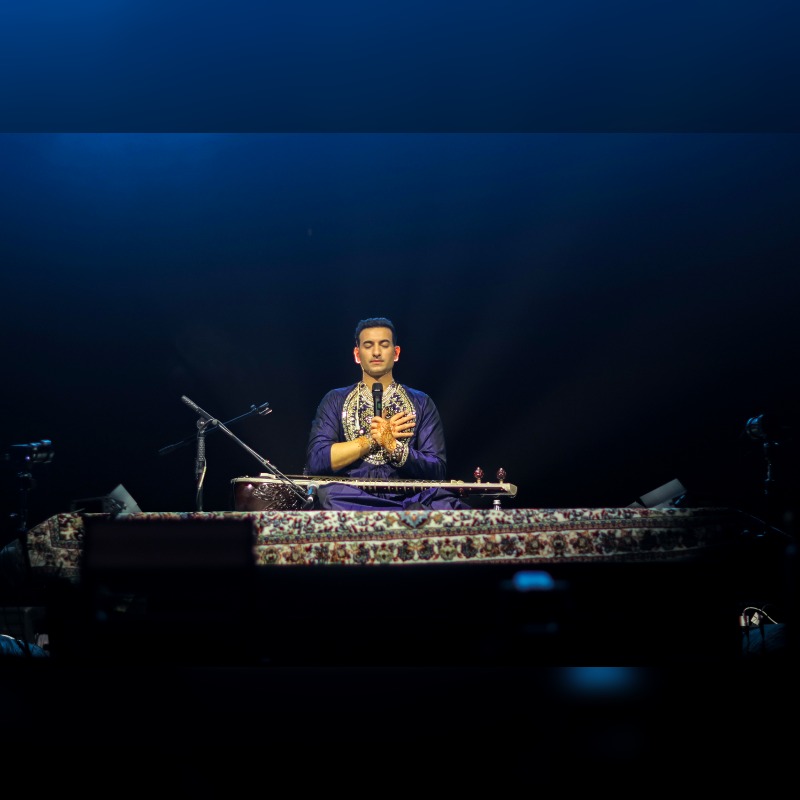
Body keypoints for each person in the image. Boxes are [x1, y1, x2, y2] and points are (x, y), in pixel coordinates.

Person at [304, 317, 470, 510]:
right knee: (329, 495)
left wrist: (393, 446)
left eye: (384, 345)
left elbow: (436, 469)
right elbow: (317, 461)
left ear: (396, 353)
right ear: (357, 354)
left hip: (410, 499)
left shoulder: (421, 402)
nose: (376, 352)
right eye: (368, 345)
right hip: (352, 498)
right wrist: (371, 440)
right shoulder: (335, 400)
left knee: (445, 502)